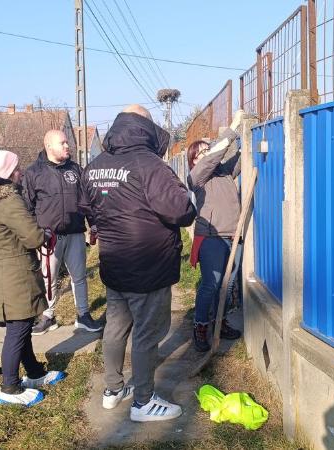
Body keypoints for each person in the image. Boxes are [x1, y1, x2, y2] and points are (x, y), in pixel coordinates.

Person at [83, 105, 196, 422]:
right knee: (147, 333)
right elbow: (181, 211)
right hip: (148, 266)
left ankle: (113, 389)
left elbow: (87, 206)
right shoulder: (150, 165)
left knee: (116, 328)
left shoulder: (95, 165)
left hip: (114, 263)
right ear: (145, 127)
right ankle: (144, 402)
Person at [0, 149, 66, 406]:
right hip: (16, 274)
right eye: (16, 169)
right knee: (18, 330)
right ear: (7, 174)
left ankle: (33, 373)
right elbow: (32, 237)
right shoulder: (8, 200)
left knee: (20, 327)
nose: (20, 172)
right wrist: (45, 233)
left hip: (0, 272)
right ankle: (9, 387)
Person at [22, 130, 102, 335]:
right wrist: (35, 234)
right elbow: (27, 207)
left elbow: (87, 201)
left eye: (67, 142)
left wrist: (93, 224)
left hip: (75, 233)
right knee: (48, 278)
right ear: (49, 146)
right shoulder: (33, 173)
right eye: (63, 143)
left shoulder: (75, 169)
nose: (68, 146)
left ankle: (83, 315)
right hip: (49, 237)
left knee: (79, 277)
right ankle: (48, 316)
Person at [186, 131, 244, 353]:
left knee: (228, 285)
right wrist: (231, 129)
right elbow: (213, 158)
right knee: (211, 285)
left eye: (207, 149)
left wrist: (245, 135)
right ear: (193, 160)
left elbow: (239, 158)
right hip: (212, 237)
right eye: (200, 152)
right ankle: (200, 326)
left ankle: (219, 321)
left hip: (233, 234)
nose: (207, 153)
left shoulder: (223, 172)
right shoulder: (197, 177)